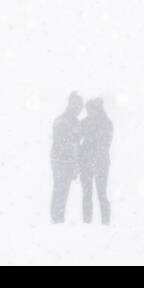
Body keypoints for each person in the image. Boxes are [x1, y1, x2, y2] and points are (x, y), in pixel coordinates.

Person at [50, 92, 83, 224]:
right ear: (73, 104)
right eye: (78, 105)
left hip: (59, 160)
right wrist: (74, 164)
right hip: (64, 160)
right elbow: (72, 144)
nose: (80, 109)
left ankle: (56, 219)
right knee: (61, 190)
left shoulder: (61, 120)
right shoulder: (70, 121)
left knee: (59, 190)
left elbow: (71, 143)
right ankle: (57, 220)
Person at [79, 97, 112, 225]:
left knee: (100, 194)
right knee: (89, 194)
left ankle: (104, 223)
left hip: (97, 162)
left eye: (90, 109)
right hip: (91, 162)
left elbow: (105, 143)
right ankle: (90, 222)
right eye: (87, 109)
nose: (88, 111)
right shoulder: (88, 122)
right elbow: (77, 138)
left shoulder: (105, 123)